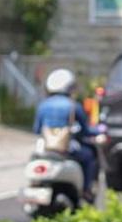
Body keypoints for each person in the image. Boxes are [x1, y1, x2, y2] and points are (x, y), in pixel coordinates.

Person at [32, 68, 97, 202]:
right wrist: (100, 130)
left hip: (46, 150)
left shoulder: (43, 105)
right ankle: (86, 190)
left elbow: (37, 129)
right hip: (66, 149)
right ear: (69, 87)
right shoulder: (73, 106)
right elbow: (86, 131)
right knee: (89, 156)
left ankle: (35, 184)